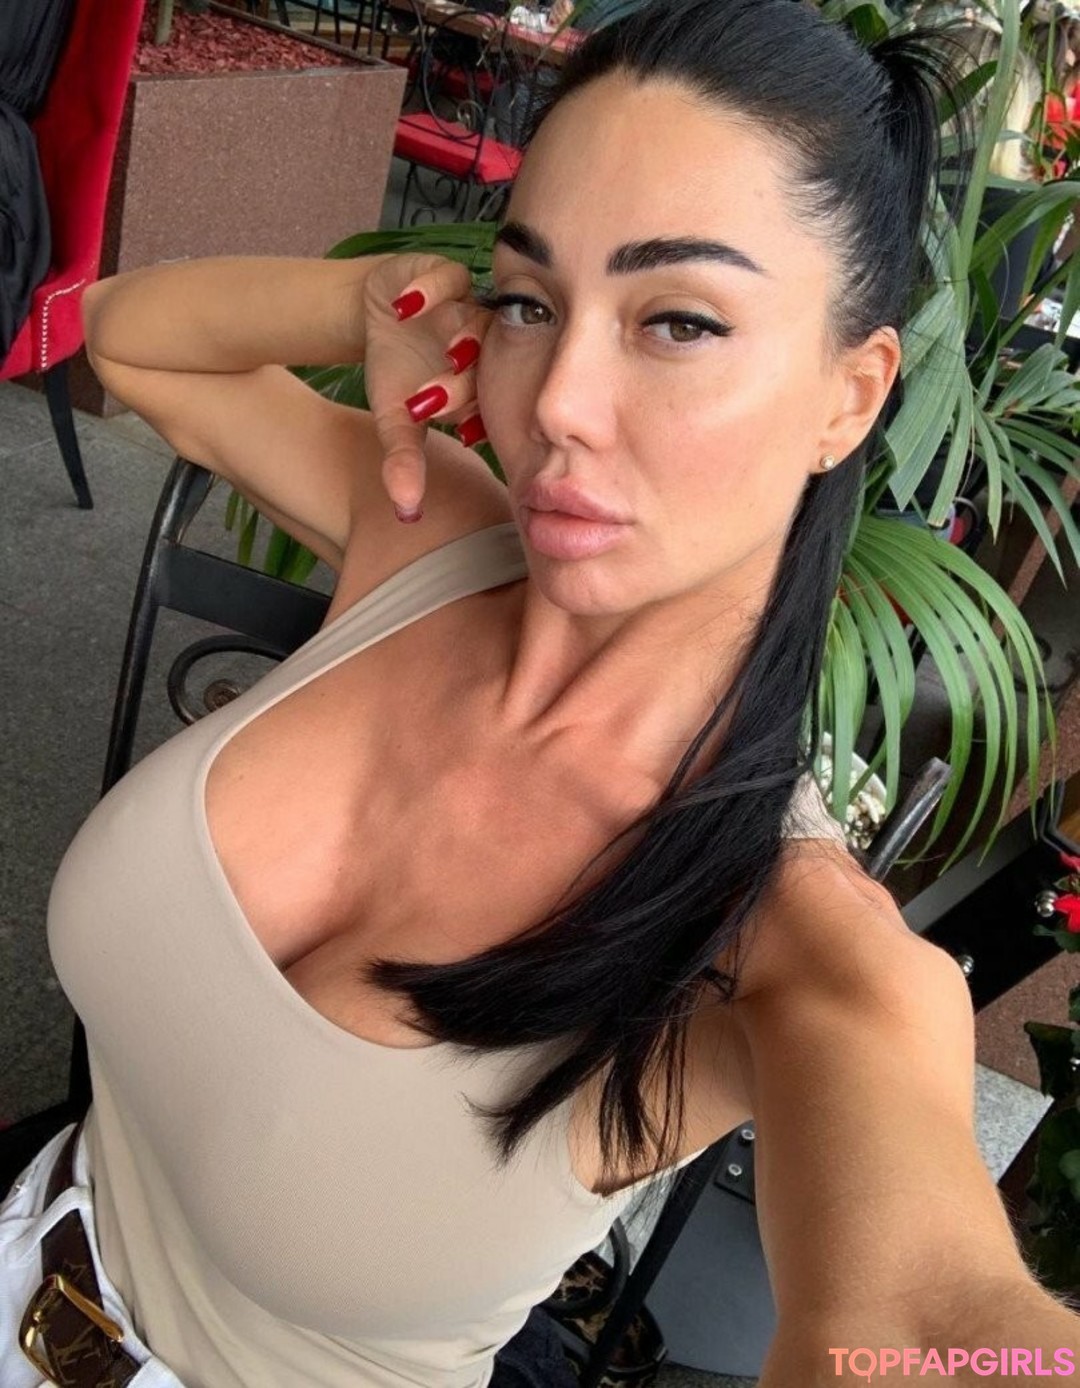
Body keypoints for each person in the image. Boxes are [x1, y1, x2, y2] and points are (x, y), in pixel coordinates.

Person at [5, 1, 1080, 1385]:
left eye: (677, 320)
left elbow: (926, 1329)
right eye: (530, 301)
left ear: (850, 395)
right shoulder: (430, 541)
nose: (557, 400)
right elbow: (126, 337)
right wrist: (364, 308)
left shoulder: (784, 938)